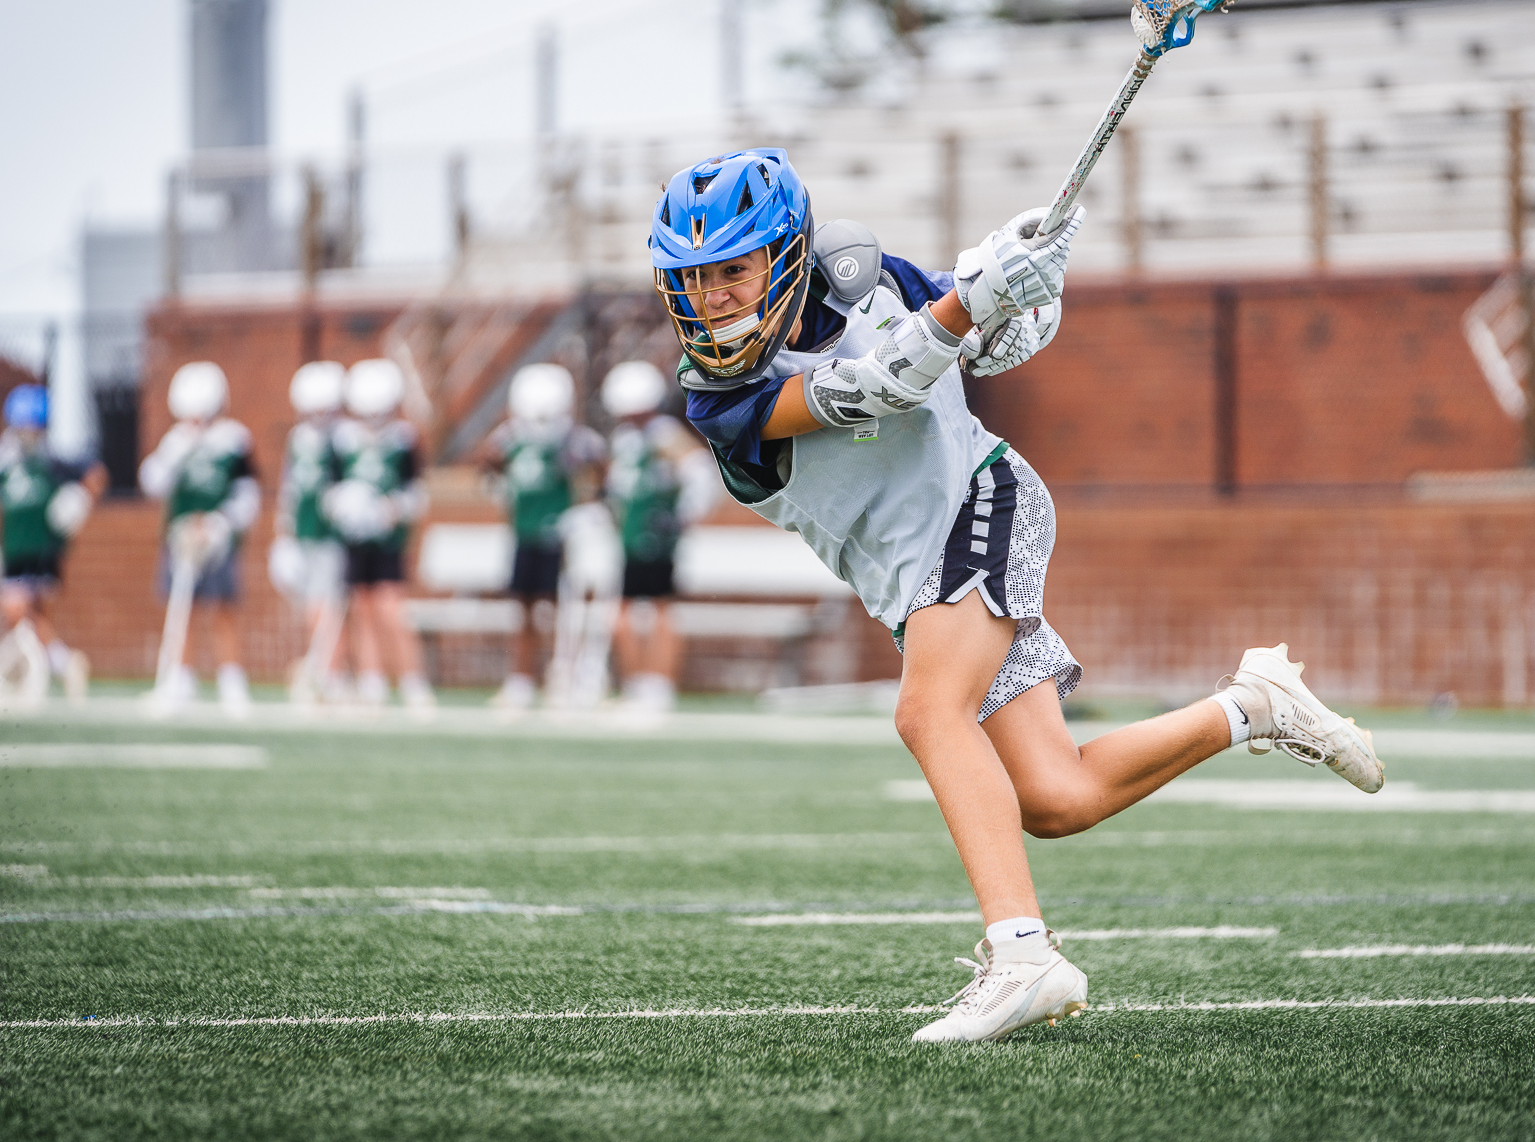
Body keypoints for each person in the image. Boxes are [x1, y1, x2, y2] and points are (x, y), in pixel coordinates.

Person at [654, 148, 1385, 1044]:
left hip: (981, 503)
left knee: (929, 713)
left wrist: (1028, 280)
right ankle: (1255, 705)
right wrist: (972, 295)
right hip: (913, 577)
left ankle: (1022, 954)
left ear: (789, 254)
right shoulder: (716, 399)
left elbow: (998, 347)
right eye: (693, 279)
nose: (712, 298)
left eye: (732, 270)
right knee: (1056, 798)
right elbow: (872, 389)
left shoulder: (869, 278)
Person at [479, 364, 607, 710]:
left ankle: (565, 675)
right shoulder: (510, 437)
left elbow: (599, 469)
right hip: (525, 532)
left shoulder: (574, 439)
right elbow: (489, 464)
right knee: (523, 608)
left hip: (562, 537)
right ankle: (521, 680)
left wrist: (591, 506)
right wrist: (498, 484)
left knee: (565, 609)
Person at [0, 383, 106, 700]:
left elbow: (96, 475)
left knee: (21, 612)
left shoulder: (53, 461)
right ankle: (55, 667)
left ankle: (57, 665)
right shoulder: (0, 463)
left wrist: (79, 498)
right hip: (12, 549)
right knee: (27, 617)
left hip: (44, 548)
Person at [138, 361, 260, 715]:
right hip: (181, 541)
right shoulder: (175, 442)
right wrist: (171, 457)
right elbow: (152, 483)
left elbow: (247, 495)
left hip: (219, 541)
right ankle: (180, 679)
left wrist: (221, 523)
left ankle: (231, 682)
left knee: (223, 609)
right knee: (182, 609)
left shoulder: (234, 440)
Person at [600, 359, 717, 711]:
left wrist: (683, 515)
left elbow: (700, 473)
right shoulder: (626, 439)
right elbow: (618, 487)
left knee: (659, 607)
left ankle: (657, 683)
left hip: (656, 536)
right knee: (625, 610)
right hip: (630, 535)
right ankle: (635, 683)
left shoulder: (663, 434)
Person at [324, 357, 434, 712]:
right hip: (355, 537)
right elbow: (331, 490)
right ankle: (372, 680)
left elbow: (416, 492)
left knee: (391, 608)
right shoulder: (343, 440)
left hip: (388, 539)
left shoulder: (403, 440)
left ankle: (413, 680)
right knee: (361, 607)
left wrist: (392, 509)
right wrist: (346, 506)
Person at [269, 360, 349, 705]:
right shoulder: (299, 439)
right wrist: (283, 535)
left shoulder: (344, 438)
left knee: (328, 606)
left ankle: (331, 675)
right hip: (304, 534)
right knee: (314, 607)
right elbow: (290, 489)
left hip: (334, 536)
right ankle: (326, 671)